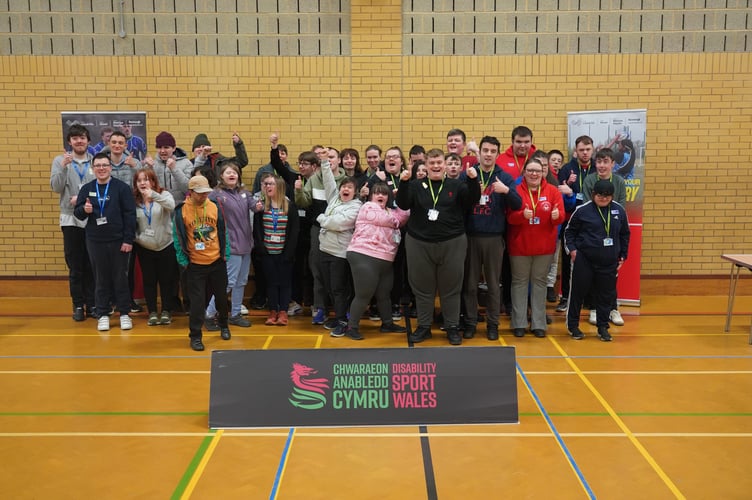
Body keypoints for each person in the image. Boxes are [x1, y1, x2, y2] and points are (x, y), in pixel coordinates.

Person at [396, 148, 480, 346]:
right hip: (419, 243)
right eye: (431, 163)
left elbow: (472, 201)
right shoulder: (416, 185)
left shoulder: (456, 185)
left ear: (444, 165)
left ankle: (451, 327)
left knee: (451, 288)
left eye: (439, 163)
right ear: (425, 165)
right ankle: (424, 327)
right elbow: (403, 203)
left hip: (452, 243)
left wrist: (473, 180)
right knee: (423, 288)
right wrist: (404, 181)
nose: (435, 166)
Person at [461, 136, 522, 340]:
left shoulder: (504, 177)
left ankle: (493, 324)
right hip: (471, 236)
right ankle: (470, 322)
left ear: (497, 153)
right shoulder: (469, 174)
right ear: (480, 152)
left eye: (492, 151)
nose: (488, 154)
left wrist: (506, 192)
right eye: (485, 150)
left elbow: (517, 204)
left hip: (495, 237)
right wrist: (470, 184)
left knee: (494, 284)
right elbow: (459, 201)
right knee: (470, 284)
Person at [73, 153, 137, 332]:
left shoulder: (121, 188)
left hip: (118, 241)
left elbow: (130, 215)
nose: (101, 168)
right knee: (100, 279)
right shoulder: (87, 188)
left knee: (120, 278)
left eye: (105, 165)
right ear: (93, 169)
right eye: (98, 165)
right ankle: (102, 313)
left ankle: (124, 313)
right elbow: (77, 213)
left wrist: (128, 239)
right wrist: (84, 210)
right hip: (95, 241)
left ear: (110, 168)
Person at [564, 179, 630, 341]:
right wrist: (572, 251)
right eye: (600, 195)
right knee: (577, 294)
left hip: (608, 261)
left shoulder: (619, 211)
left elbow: (625, 234)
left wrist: (623, 255)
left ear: (612, 196)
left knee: (605, 295)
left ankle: (602, 327)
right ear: (594, 194)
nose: (604, 198)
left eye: (607, 196)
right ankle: (573, 326)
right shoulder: (582, 211)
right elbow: (569, 233)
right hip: (584, 260)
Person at [343, 182, 410, 340]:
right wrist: (396, 219)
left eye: (384, 194)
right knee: (363, 295)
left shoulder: (390, 211)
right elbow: (391, 221)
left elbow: (405, 214)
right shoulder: (368, 207)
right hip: (364, 255)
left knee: (384, 294)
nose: (380, 196)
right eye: (377, 193)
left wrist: (401, 198)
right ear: (371, 195)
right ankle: (351, 327)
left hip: (385, 259)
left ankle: (387, 323)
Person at [506, 158, 564, 338]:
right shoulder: (515, 191)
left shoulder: (553, 192)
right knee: (519, 283)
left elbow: (560, 217)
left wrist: (556, 216)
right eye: (530, 170)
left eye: (537, 171)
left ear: (543, 173)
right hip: (519, 246)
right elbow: (509, 218)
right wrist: (521, 215)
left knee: (539, 283)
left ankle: (539, 323)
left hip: (544, 247)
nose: (534, 174)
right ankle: (519, 323)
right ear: (524, 172)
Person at [173, 175, 232, 351]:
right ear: (190, 192)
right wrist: (183, 261)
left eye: (206, 192)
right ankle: (195, 336)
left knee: (222, 298)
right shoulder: (181, 211)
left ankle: (224, 325)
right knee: (197, 303)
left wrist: (225, 253)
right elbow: (177, 237)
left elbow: (224, 231)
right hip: (195, 265)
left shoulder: (215, 207)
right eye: (199, 193)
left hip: (216, 261)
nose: (203, 196)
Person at [204, 162, 263, 329]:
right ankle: (209, 313)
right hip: (231, 245)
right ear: (221, 176)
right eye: (228, 172)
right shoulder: (216, 194)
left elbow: (255, 206)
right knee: (229, 282)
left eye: (235, 173)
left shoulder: (244, 193)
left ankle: (235, 314)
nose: (232, 175)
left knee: (241, 281)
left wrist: (259, 206)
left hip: (246, 244)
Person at [295, 146, 346, 326]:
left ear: (338, 160)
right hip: (318, 230)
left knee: (341, 272)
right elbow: (304, 202)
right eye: (325, 157)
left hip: (341, 232)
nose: (329, 160)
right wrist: (299, 191)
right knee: (317, 270)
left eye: (331, 156)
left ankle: (342, 309)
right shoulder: (314, 180)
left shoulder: (346, 180)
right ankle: (320, 307)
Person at [50, 124, 96, 321]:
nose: (79, 141)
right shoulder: (60, 161)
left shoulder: (96, 162)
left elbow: (102, 187)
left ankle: (92, 304)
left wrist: (83, 198)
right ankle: (78, 305)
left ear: (88, 141)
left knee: (91, 264)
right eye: (75, 138)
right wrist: (63, 168)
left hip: (91, 218)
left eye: (83, 138)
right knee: (75, 264)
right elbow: (56, 187)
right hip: (70, 219)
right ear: (69, 142)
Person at [582, 148, 628, 327]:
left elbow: (621, 208)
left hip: (612, 234)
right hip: (593, 234)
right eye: (599, 162)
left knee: (610, 274)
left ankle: (611, 308)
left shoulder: (619, 181)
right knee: (594, 273)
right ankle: (594, 308)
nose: (602, 165)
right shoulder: (589, 180)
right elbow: (587, 206)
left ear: (612, 164)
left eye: (605, 162)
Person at [316, 160, 362, 337]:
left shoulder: (356, 207)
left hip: (340, 254)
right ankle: (338, 316)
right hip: (324, 250)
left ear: (355, 191)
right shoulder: (334, 199)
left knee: (339, 288)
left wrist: (321, 218)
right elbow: (328, 181)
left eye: (350, 187)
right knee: (329, 287)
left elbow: (338, 223)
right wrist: (325, 163)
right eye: (344, 186)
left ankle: (343, 321)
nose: (346, 189)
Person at [556, 135, 595, 314]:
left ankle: (589, 297)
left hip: (593, 222)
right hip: (571, 221)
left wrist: (573, 193)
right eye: (581, 150)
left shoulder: (598, 168)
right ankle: (565, 297)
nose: (585, 153)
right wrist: (570, 192)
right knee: (567, 259)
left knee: (591, 259)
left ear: (592, 150)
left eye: (588, 150)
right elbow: (561, 196)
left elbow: (593, 198)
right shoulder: (566, 169)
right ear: (575, 151)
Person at [132, 168, 177, 326]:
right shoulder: (134, 201)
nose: (143, 183)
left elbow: (172, 206)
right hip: (145, 247)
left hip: (165, 245)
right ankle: (152, 311)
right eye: (139, 180)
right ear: (136, 184)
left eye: (146, 179)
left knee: (166, 280)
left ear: (153, 181)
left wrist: (154, 196)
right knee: (149, 280)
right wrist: (138, 239)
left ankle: (166, 311)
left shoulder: (163, 194)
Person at [254, 173, 299, 326]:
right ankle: (273, 311)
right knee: (271, 283)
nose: (268, 187)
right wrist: (261, 248)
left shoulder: (289, 206)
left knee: (285, 283)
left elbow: (294, 232)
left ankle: (283, 311)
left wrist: (289, 252)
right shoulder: (261, 206)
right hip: (268, 252)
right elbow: (257, 229)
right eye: (266, 184)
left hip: (284, 253)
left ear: (279, 187)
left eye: (271, 184)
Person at [141, 131, 194, 203]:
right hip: (159, 208)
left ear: (174, 148)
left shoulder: (186, 163)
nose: (162, 151)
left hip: (180, 208)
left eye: (166, 147)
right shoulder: (152, 164)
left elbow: (188, 189)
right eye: (159, 147)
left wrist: (174, 169)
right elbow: (144, 188)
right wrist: (148, 169)